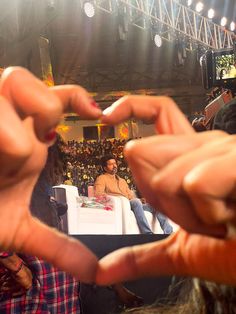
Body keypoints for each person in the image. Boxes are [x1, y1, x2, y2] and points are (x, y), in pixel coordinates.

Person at [0, 66, 236, 292]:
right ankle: (148, 233)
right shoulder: (94, 178)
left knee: (145, 204)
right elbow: (102, 194)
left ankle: (163, 230)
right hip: (34, 269)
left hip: (48, 269)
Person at [94, 155, 172, 234]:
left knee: (156, 205)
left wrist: (141, 200)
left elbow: (130, 196)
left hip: (131, 203)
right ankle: (147, 233)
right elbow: (98, 194)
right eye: (110, 164)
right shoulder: (102, 178)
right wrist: (118, 199)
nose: (114, 166)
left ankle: (168, 232)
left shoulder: (122, 181)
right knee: (136, 202)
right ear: (105, 168)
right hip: (120, 205)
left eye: (115, 163)